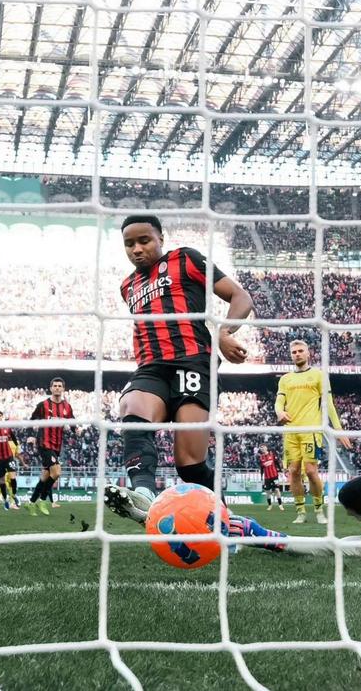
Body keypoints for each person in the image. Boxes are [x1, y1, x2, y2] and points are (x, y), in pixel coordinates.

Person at [104, 215, 253, 523]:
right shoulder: (127, 286)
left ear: (160, 238)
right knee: (133, 408)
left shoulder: (186, 259)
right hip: (151, 367)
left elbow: (240, 296)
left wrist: (225, 331)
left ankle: (226, 521)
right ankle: (144, 494)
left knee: (189, 464)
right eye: (129, 244)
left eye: (144, 240)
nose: (136, 249)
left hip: (193, 361)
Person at [275, 340, 350, 524]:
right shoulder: (285, 379)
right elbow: (279, 401)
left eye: (300, 351)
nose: (297, 354)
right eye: (294, 352)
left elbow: (329, 404)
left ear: (308, 353)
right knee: (293, 471)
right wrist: (279, 412)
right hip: (290, 432)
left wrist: (338, 430)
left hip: (311, 431)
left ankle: (318, 510)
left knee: (310, 471)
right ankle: (300, 512)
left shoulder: (319, 375)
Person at [27, 378, 75, 516]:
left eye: (60, 386)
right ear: (51, 388)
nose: (57, 388)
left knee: (45, 476)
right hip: (44, 443)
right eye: (55, 386)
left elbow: (73, 421)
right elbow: (31, 420)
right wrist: (30, 435)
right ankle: (42, 500)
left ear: (63, 389)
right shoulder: (43, 405)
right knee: (57, 472)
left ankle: (31, 502)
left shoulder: (67, 406)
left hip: (57, 445)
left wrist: (75, 429)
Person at [0, 410, 26, 510]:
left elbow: (13, 437)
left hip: (8, 457)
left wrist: (18, 446)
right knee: (2, 482)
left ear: (2, 417)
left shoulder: (7, 428)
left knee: (13, 478)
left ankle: (14, 495)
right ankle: (5, 500)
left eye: (0, 416)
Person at [258, 444, 284, 511]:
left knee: (277, 490)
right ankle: (270, 505)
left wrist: (280, 471)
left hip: (274, 476)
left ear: (266, 448)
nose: (262, 449)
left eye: (263, 447)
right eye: (261, 448)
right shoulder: (261, 458)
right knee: (267, 491)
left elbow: (277, 463)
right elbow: (261, 468)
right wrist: (261, 477)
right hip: (267, 477)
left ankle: (280, 505)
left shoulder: (272, 454)